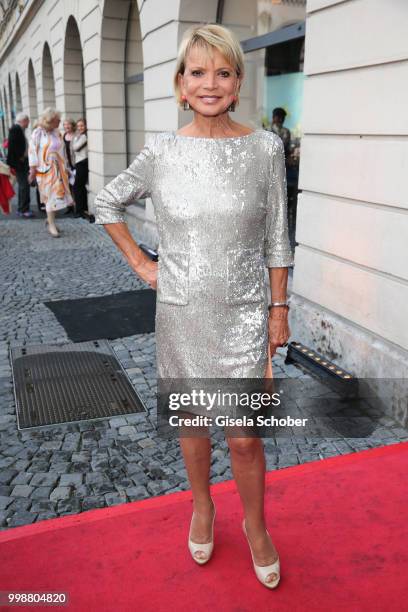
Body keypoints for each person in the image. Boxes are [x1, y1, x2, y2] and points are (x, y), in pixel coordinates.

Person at [94, 24, 294, 589]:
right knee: (193, 424)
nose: (210, 83)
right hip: (182, 311)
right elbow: (107, 201)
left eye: (223, 72)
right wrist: (142, 264)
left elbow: (278, 236)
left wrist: (278, 310)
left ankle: (256, 527)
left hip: (246, 313)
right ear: (180, 85)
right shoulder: (161, 151)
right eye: (198, 72)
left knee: (245, 436)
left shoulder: (264, 148)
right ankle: (202, 506)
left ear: (237, 85)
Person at [28, 107, 73, 237]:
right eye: (58, 120)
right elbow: (32, 152)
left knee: (57, 197)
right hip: (44, 171)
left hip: (58, 169)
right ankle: (51, 224)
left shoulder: (57, 132)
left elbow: (62, 151)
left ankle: (50, 221)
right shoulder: (37, 133)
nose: (60, 122)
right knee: (49, 197)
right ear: (50, 120)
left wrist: (66, 167)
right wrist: (32, 170)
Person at [6, 112, 34, 218]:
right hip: (20, 163)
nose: (28, 123)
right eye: (28, 121)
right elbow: (12, 146)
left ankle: (21, 208)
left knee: (23, 186)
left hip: (21, 163)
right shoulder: (16, 129)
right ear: (24, 121)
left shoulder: (18, 129)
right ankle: (24, 210)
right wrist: (21, 157)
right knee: (24, 186)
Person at [72, 118, 88, 218]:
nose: (80, 128)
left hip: (83, 163)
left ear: (86, 126)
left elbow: (75, 148)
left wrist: (75, 138)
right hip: (79, 163)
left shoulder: (84, 137)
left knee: (78, 186)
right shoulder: (79, 136)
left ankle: (80, 210)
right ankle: (82, 209)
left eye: (82, 125)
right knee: (80, 187)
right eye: (78, 126)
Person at [62, 118, 76, 215]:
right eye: (65, 125)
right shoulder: (64, 136)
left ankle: (76, 206)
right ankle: (69, 206)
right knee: (67, 186)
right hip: (66, 164)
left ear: (72, 125)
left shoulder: (76, 136)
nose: (66, 126)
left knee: (75, 186)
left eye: (68, 124)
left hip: (75, 163)